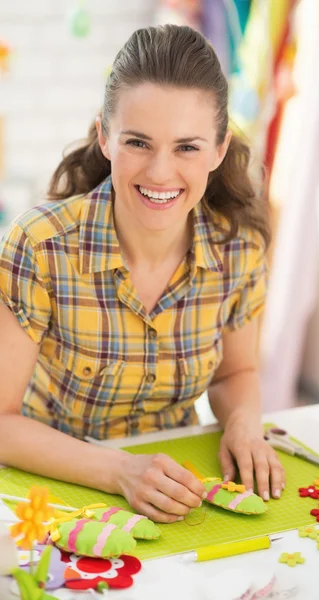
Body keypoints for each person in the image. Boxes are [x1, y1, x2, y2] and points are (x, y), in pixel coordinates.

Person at [0, 24, 285, 523]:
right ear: (105, 137)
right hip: (52, 488)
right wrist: (120, 471)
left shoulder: (241, 248)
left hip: (178, 485)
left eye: (187, 148)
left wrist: (243, 424)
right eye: (138, 142)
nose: (159, 172)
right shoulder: (39, 247)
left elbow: (236, 373)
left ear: (218, 150)